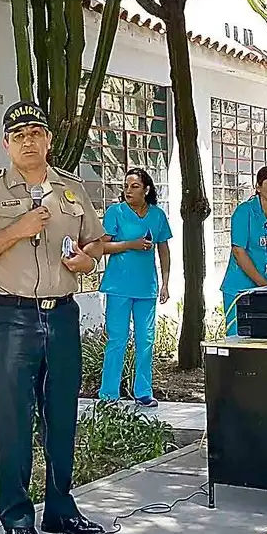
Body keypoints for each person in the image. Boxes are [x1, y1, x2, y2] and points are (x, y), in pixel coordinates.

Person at [0, 101, 107, 534]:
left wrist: (89, 257)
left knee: (62, 417)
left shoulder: (73, 189)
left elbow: (94, 240)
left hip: (61, 313)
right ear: (6, 144)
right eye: (18, 134)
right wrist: (18, 229)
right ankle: (17, 517)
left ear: (48, 140)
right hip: (11, 317)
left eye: (35, 132)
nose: (28, 140)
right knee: (15, 420)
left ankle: (60, 506)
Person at [96, 168, 172, 407]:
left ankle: (143, 391)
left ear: (146, 189)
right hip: (118, 286)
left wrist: (166, 283)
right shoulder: (115, 213)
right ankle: (108, 394)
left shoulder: (157, 215)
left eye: (134, 186)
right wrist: (131, 244)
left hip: (146, 288)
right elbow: (102, 247)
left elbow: (164, 249)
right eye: (126, 186)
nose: (128, 190)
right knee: (117, 340)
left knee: (146, 340)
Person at [220, 165, 267, 335]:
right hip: (241, 289)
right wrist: (262, 283)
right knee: (239, 338)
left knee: (266, 339)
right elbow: (239, 251)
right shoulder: (244, 211)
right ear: (258, 187)